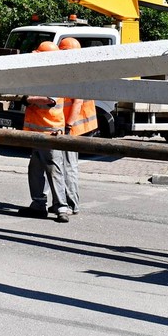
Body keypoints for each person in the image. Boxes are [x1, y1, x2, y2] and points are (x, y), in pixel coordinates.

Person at [17, 41, 72, 223]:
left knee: (54, 170)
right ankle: (39, 204)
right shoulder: (43, 75)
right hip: (39, 133)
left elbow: (50, 100)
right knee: (36, 169)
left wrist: (27, 99)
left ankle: (61, 207)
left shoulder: (53, 77)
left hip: (50, 133)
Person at [58, 36, 98, 215]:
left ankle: (71, 203)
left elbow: (77, 102)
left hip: (72, 126)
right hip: (76, 125)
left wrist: (68, 125)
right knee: (68, 165)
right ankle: (68, 202)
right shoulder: (79, 68)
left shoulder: (74, 71)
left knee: (68, 165)